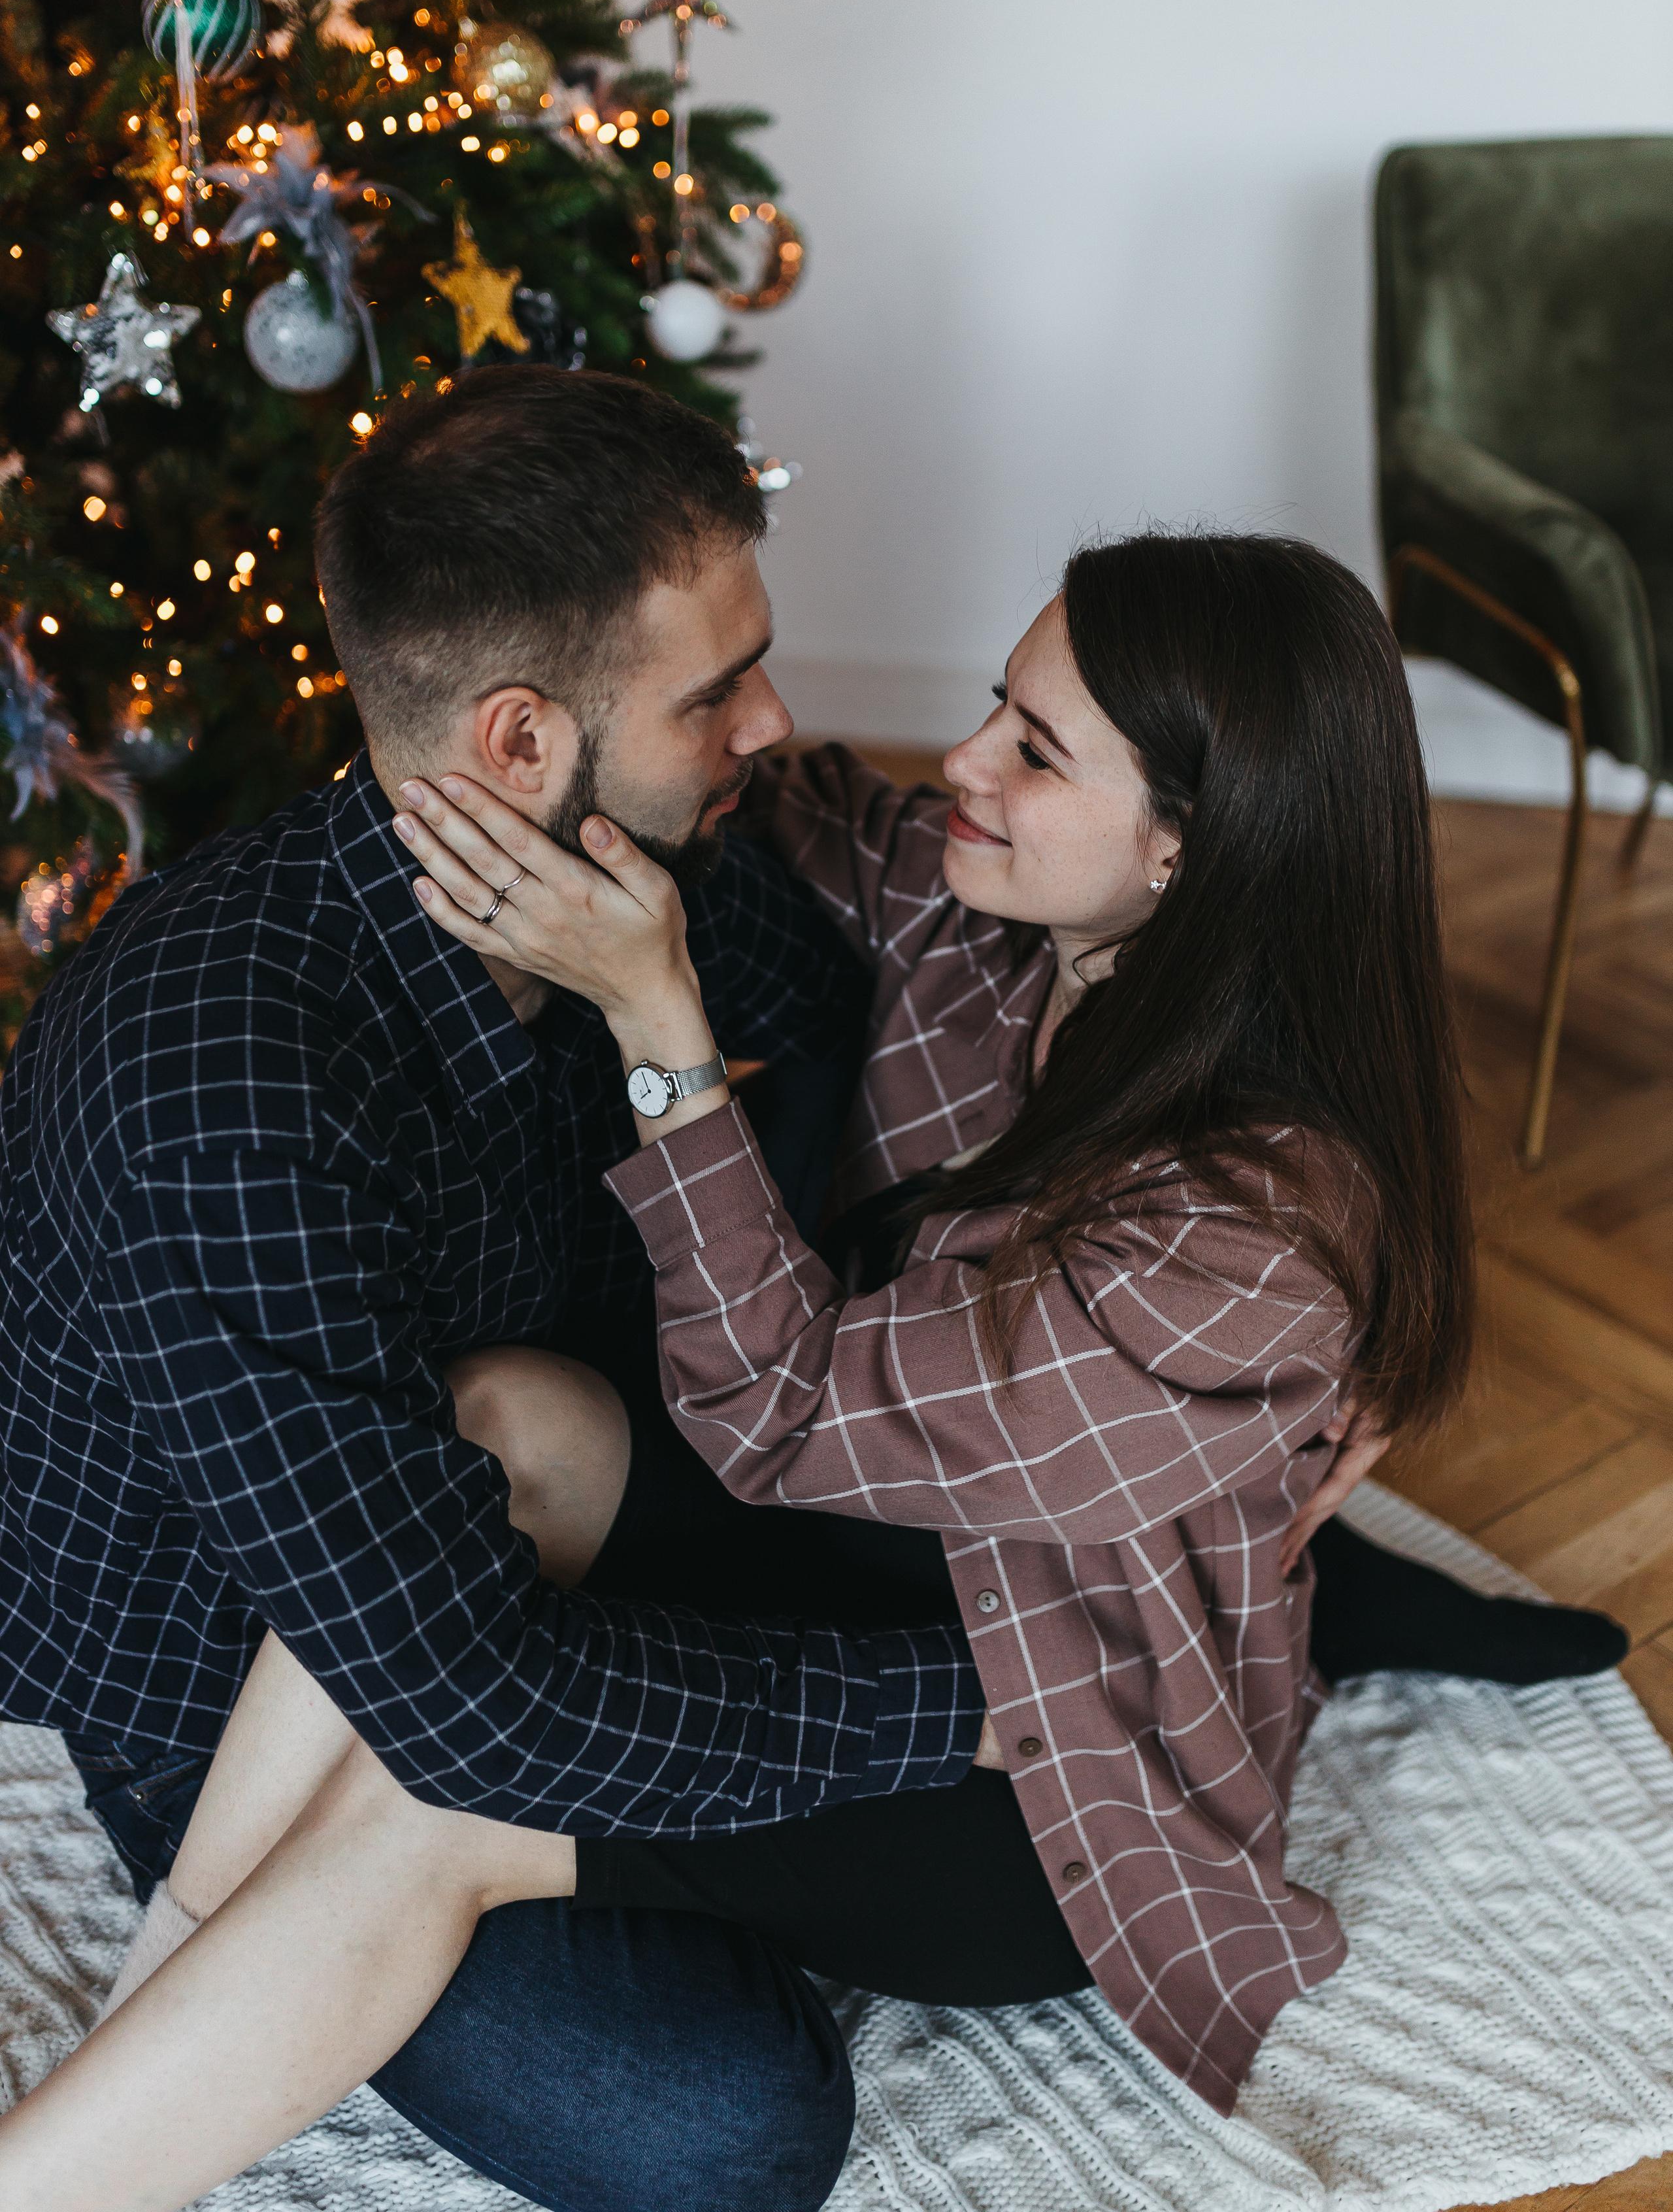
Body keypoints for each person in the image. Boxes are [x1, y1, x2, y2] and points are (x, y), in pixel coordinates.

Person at [0, 524, 1627, 2212]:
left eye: (1033, 749)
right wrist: (556, 751)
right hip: (895, 1568)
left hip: (1045, 1770)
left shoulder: (1246, 1236)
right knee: (511, 1416)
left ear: (1184, 849)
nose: (964, 764)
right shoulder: (987, 922)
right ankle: (167, 1998)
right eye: (999, 704)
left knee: (441, 1804)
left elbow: (775, 1415)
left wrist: (665, 1044)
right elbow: (784, 793)